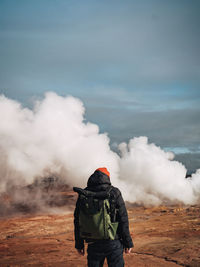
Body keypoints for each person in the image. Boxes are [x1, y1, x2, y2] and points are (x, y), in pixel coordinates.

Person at [74, 167, 133, 267]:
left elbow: (77, 220)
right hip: (113, 240)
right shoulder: (114, 192)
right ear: (107, 178)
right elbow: (123, 219)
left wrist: (79, 244)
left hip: (92, 241)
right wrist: (128, 243)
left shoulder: (84, 194)